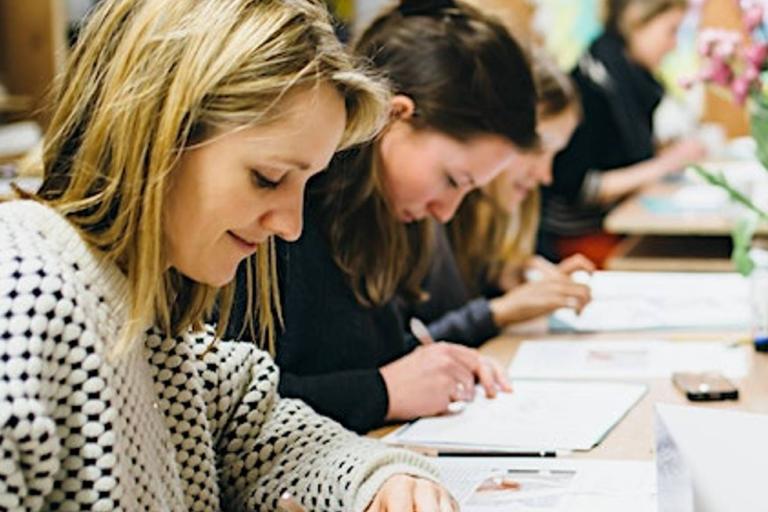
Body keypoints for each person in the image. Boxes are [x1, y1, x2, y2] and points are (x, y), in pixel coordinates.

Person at [0, 0, 457, 510]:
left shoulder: (159, 318)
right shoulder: (27, 296)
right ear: (157, 129)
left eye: (305, 185)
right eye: (267, 178)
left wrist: (381, 479)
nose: (291, 225)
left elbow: (264, 433)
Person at [228, 0, 540, 433]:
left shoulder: (385, 218)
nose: (446, 213)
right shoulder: (279, 214)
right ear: (396, 116)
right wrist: (381, 392)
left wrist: (434, 361)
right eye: (452, 179)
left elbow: (370, 350)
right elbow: (223, 402)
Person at [403, 51, 595, 347]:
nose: (546, 176)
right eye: (537, 149)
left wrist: (513, 277)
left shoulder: (496, 221)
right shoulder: (422, 211)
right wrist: (501, 311)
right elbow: (408, 350)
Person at [538, 0, 707, 266]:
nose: (674, 44)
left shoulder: (632, 82)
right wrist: (667, 163)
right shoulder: (592, 84)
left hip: (613, 225)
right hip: (581, 236)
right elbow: (581, 187)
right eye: (671, 30)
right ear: (637, 23)